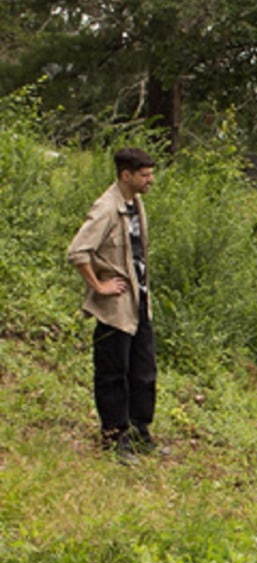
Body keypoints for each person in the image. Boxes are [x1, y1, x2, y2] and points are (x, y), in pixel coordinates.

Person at [67, 147, 159, 458]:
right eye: (144, 175)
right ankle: (114, 437)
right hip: (115, 309)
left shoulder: (136, 203)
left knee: (144, 372)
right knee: (112, 373)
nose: (150, 180)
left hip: (140, 302)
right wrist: (99, 285)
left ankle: (139, 432)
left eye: (150, 173)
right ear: (126, 175)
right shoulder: (106, 208)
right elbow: (78, 252)